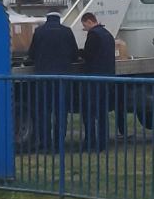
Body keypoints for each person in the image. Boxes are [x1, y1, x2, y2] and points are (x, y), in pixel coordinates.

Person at [22, 11, 79, 150]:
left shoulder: (39, 32)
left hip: (43, 78)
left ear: (47, 18)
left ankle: (45, 143)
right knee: (61, 112)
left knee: (44, 111)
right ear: (59, 19)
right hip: (62, 78)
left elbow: (31, 55)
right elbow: (74, 55)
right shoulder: (67, 32)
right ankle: (59, 143)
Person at [77, 12, 116, 150]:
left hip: (94, 78)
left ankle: (90, 141)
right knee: (102, 112)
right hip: (107, 77)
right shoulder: (107, 34)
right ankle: (103, 142)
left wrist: (78, 53)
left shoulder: (93, 35)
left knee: (88, 111)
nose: (85, 29)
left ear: (88, 21)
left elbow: (89, 54)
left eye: (84, 26)